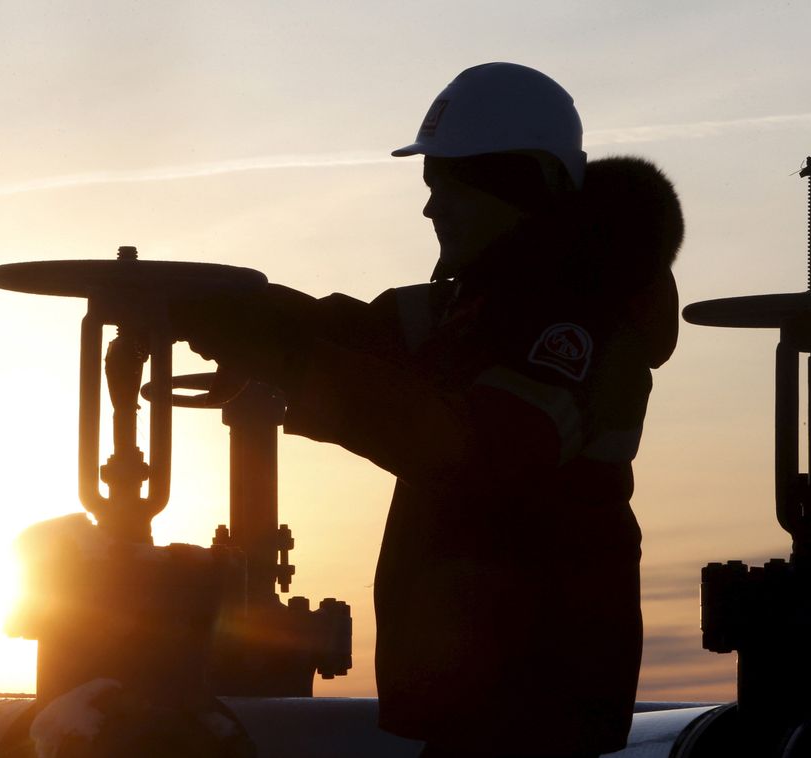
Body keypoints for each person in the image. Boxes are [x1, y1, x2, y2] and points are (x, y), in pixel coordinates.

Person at [175, 62, 684, 758]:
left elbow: (470, 449)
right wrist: (245, 317)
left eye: (446, 186)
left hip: (532, 709)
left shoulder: (575, 326)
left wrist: (288, 361)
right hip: (486, 708)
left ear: (514, 186)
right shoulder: (485, 302)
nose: (429, 209)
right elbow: (368, 338)